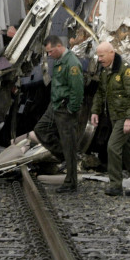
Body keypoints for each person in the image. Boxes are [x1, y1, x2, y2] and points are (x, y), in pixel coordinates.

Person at [90, 41, 130, 197]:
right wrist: (95, 111)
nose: (99, 59)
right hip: (114, 116)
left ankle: (115, 185)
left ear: (111, 53)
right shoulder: (105, 71)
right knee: (128, 151)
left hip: (125, 116)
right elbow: (101, 93)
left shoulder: (125, 71)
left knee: (112, 147)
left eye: (102, 56)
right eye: (98, 56)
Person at [32, 34, 84, 193]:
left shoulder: (72, 63)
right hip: (55, 106)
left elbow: (77, 89)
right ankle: (66, 157)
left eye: (50, 51)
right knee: (40, 129)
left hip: (64, 108)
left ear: (59, 47)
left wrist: (71, 109)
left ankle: (70, 183)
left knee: (69, 143)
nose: (49, 55)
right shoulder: (60, 61)